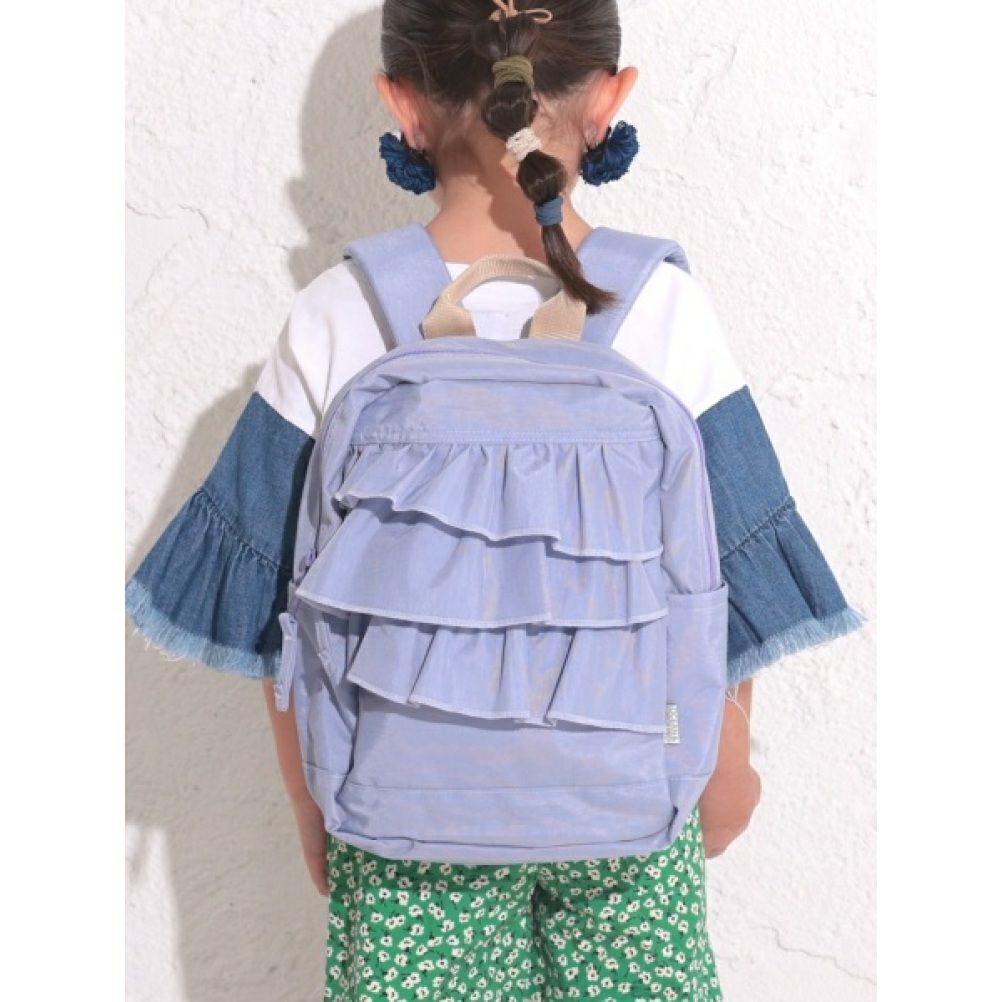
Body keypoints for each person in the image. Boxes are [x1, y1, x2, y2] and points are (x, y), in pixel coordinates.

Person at [125, 2, 864, 997]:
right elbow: (729, 578)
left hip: (402, 815)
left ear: (400, 103)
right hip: (630, 810)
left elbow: (274, 603)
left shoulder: (340, 314)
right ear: (609, 99)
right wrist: (722, 776)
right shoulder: (660, 306)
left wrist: (313, 800)